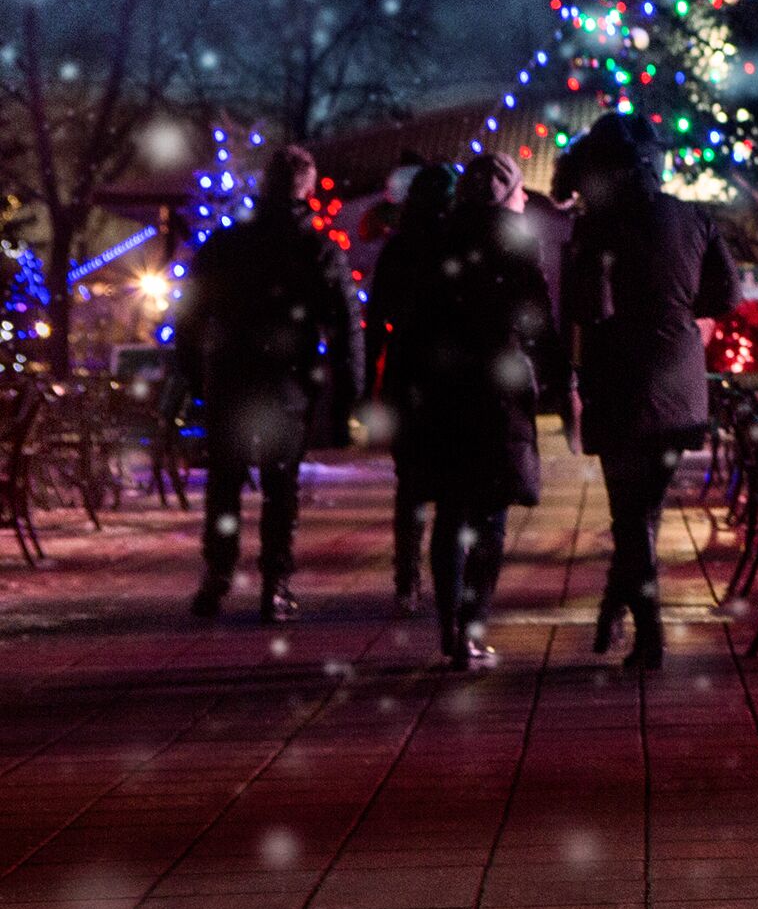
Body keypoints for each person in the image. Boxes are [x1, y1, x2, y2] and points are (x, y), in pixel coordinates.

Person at [557, 111, 737, 671]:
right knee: (644, 511)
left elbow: (584, 310)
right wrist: (676, 308)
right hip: (677, 380)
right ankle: (619, 605)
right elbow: (726, 296)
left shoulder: (595, 228)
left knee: (631, 516)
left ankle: (649, 630)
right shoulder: (692, 217)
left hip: (620, 382)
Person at [171, 145, 359, 625]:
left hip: (232, 377)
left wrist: (191, 373)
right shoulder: (317, 249)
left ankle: (216, 577)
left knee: (225, 481)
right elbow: (342, 324)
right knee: (281, 486)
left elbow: (191, 315)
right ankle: (274, 584)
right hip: (287, 382)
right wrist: (347, 393)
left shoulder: (226, 245)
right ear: (307, 188)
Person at [394, 154, 562, 669]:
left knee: (450, 510)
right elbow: (537, 321)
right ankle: (471, 627)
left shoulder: (437, 240)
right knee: (490, 514)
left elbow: (413, 320)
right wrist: (558, 376)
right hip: (496, 388)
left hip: (443, 389)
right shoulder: (516, 242)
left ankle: (448, 624)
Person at [363, 160, 460, 617]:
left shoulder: (399, 248)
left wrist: (370, 383)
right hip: (451, 373)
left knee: (411, 483)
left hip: (408, 369)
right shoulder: (459, 244)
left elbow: (377, 317)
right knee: (454, 480)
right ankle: (447, 575)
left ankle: (407, 577)